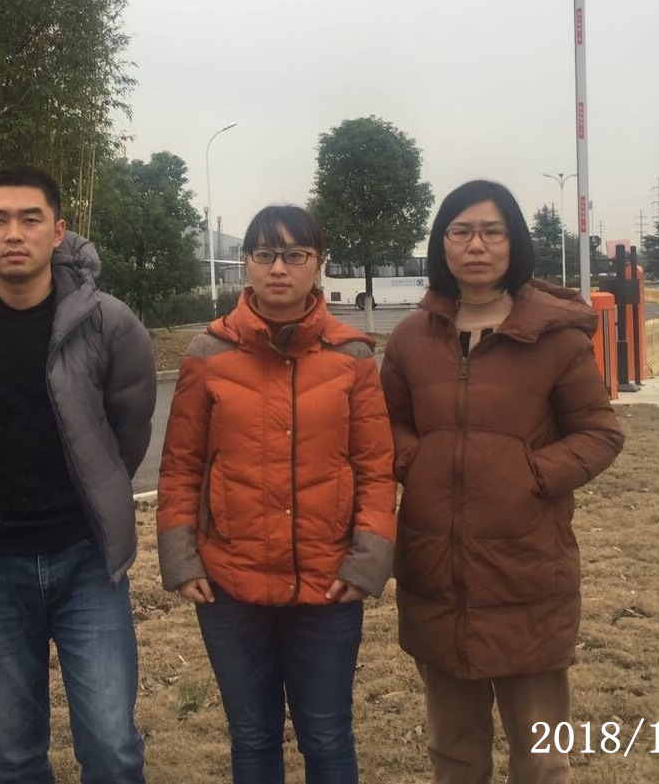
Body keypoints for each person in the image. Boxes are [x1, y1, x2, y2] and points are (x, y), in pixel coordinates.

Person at [0, 165, 156, 784]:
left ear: (58, 231)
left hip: (87, 559)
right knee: (14, 753)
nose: (13, 233)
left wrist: (94, 490)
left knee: (112, 747)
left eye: (30, 219)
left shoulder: (109, 322)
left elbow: (128, 432)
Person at [379, 180, 625, 784]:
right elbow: (390, 423)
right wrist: (417, 462)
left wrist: (531, 475)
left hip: (527, 571)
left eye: (492, 231)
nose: (476, 245)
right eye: (460, 231)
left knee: (541, 758)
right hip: (438, 572)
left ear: (514, 242)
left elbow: (599, 432)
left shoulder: (556, 338)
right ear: (441, 244)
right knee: (454, 753)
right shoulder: (411, 339)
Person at [157, 204, 396, 784]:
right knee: (253, 735)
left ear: (319, 263)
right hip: (230, 584)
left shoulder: (353, 357)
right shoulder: (208, 354)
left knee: (327, 734)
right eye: (265, 255)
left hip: (327, 584)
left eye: (295, 255)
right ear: (246, 263)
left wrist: (367, 562)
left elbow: (375, 468)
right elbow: (181, 466)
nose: (279, 268)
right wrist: (182, 559)